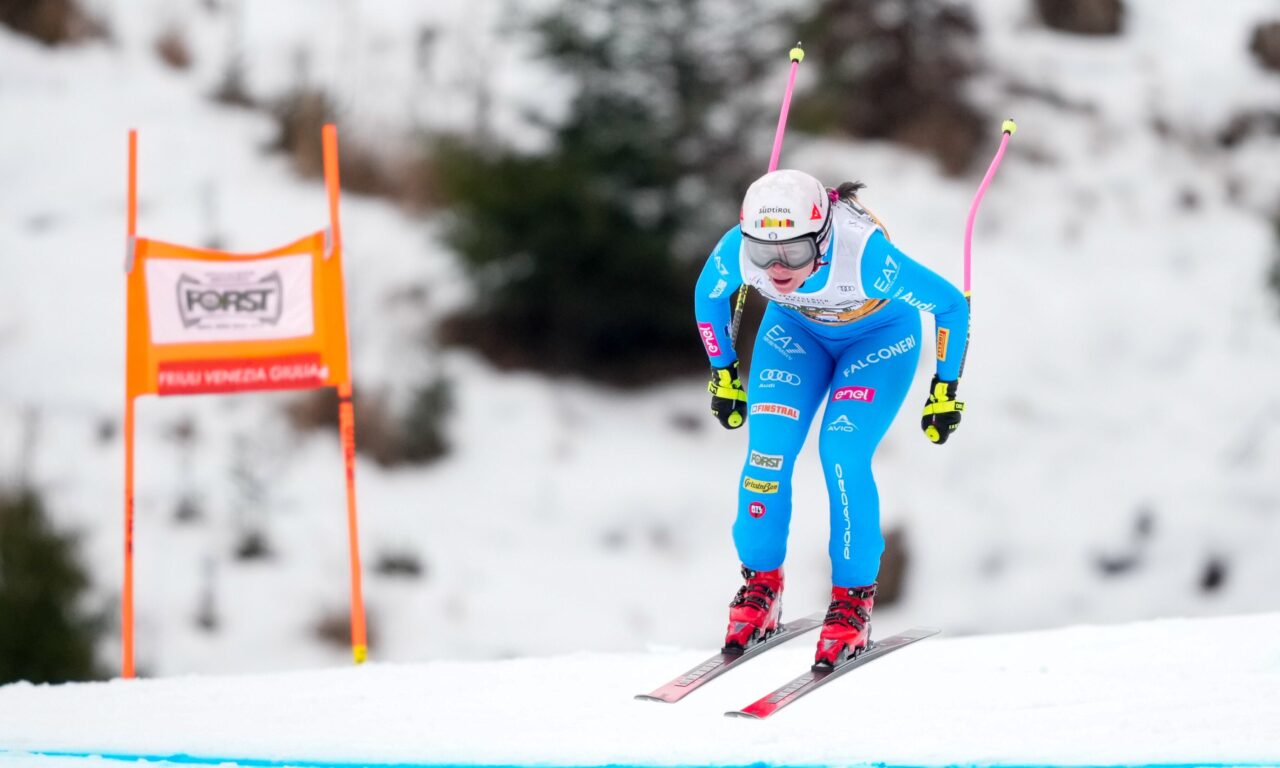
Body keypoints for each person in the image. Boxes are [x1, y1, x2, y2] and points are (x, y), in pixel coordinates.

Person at [693, 169, 969, 667]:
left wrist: (945, 387)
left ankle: (852, 604)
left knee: (841, 453)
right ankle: (761, 590)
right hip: (795, 335)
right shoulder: (739, 247)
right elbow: (707, 295)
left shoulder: (865, 257)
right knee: (766, 455)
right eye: (763, 253)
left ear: (821, 238)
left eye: (795, 253)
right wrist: (724, 372)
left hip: (878, 339)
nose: (777, 269)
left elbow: (949, 304)